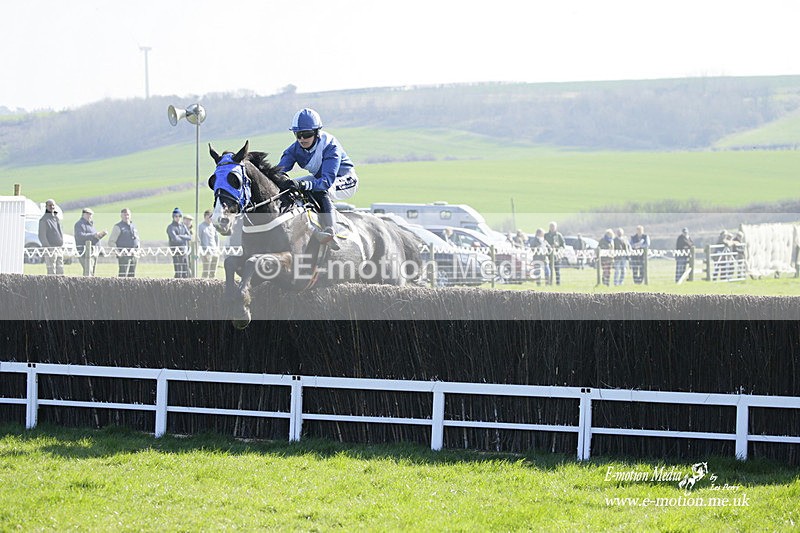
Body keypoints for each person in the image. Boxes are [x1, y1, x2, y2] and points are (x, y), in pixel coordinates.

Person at [277, 108, 359, 251]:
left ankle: (330, 231)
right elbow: (278, 172)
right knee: (289, 187)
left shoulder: (330, 146)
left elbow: (326, 182)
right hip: (320, 179)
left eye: (307, 134)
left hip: (345, 180)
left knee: (321, 190)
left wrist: (304, 184)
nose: (302, 139)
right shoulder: (294, 149)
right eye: (298, 134)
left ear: (316, 132)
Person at [73, 208, 107, 276]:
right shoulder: (79, 224)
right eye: (88, 214)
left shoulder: (91, 225)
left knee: (92, 273)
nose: (90, 216)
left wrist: (100, 235)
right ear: (83, 214)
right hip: (84, 252)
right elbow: (80, 236)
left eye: (91, 214)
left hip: (94, 251)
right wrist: (94, 235)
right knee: (88, 272)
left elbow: (94, 238)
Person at [108, 208, 140, 278]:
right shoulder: (118, 227)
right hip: (124, 255)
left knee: (132, 276)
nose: (126, 217)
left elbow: (137, 240)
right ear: (121, 216)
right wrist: (118, 252)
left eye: (128, 215)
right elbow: (111, 242)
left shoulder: (133, 226)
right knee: (123, 275)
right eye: (125, 215)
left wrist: (137, 251)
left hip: (134, 255)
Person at [38, 199, 64, 275]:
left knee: (60, 269)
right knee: (51, 270)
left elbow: (60, 231)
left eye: (53, 205)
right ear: (46, 207)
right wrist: (48, 247)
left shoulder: (56, 218)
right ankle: (52, 286)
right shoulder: (43, 220)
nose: (52, 207)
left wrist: (61, 242)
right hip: (50, 249)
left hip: (59, 248)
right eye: (50, 205)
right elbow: (42, 236)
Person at [167, 208, 192, 278]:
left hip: (184, 251)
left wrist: (180, 236)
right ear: (173, 217)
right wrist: (184, 238)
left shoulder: (183, 226)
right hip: (176, 252)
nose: (178, 218)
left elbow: (190, 237)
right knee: (178, 272)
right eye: (176, 216)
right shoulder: (170, 227)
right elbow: (175, 239)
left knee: (186, 271)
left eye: (179, 216)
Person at [198, 209, 220, 278]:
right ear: (205, 217)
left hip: (214, 251)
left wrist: (217, 248)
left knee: (213, 271)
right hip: (205, 251)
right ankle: (204, 285)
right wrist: (201, 251)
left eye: (211, 217)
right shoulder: (201, 226)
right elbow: (199, 239)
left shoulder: (213, 227)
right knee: (206, 270)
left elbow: (216, 238)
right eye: (208, 217)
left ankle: (212, 284)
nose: (209, 219)